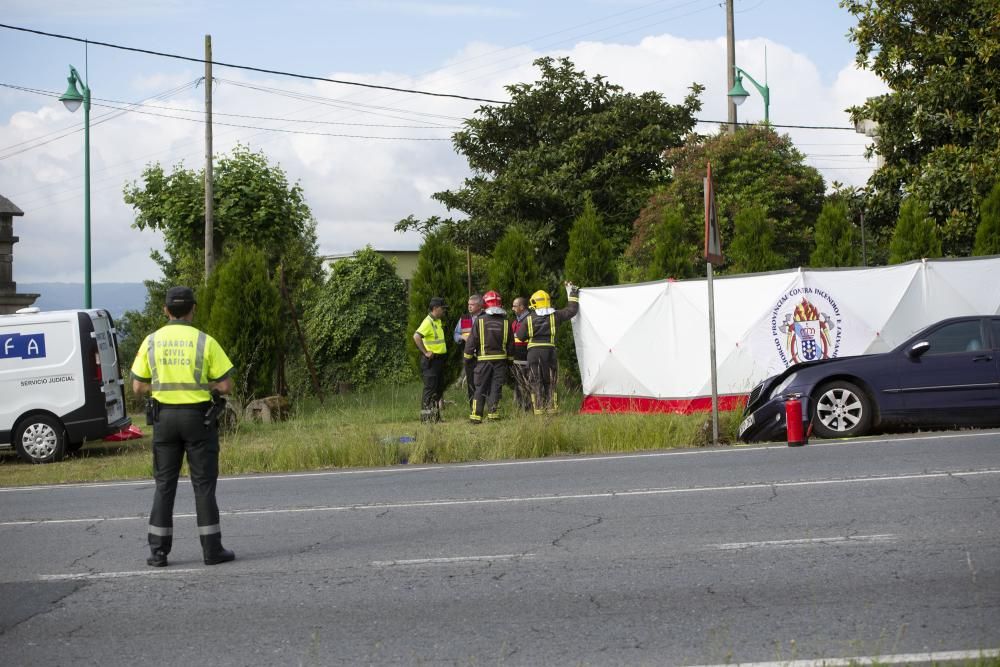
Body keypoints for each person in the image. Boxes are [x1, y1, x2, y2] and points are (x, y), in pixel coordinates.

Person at [130, 286, 235, 568]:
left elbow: (138, 386)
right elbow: (225, 385)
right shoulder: (205, 341)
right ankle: (212, 550)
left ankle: (158, 552)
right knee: (203, 486)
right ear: (193, 309)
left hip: (164, 420)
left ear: (165, 310)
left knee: (164, 485)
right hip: (198, 419)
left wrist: (163, 386)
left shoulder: (151, 341)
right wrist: (207, 385)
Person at [514, 282, 580, 415]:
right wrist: (573, 293)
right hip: (550, 352)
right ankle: (552, 408)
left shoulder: (529, 319)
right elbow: (572, 310)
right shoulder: (556, 315)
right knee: (550, 380)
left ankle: (538, 409)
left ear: (534, 303)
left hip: (533, 353)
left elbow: (520, 337)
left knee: (536, 380)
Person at [465, 290, 512, 423]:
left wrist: (467, 358)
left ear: (485, 304)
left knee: (480, 388)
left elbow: (471, 341)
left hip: (483, 362)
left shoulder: (480, 321)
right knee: (496, 387)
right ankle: (493, 415)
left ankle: (476, 416)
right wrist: (510, 360)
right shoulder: (506, 322)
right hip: (500, 362)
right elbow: (510, 343)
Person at [413, 297, 449, 423]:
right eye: (442, 308)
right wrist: (425, 352)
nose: (444, 311)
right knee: (430, 390)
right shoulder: (428, 322)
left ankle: (435, 417)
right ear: (435, 308)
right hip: (431, 362)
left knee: (437, 391)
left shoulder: (437, 321)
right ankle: (426, 418)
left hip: (439, 361)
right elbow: (416, 336)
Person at [454, 294, 483, 410]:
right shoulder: (464, 318)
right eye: (468, 304)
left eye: (472, 304)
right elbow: (456, 334)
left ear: (480, 306)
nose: (469, 307)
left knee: (483, 382)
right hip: (469, 356)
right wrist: (461, 337)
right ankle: (474, 409)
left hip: (483, 355)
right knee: (471, 383)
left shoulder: (486, 317)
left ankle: (485, 406)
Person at [509, 296, 532, 412]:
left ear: (522, 307)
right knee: (519, 386)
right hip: (517, 360)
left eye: (514, 306)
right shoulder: (515, 322)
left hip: (527, 359)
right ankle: (520, 408)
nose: (512, 308)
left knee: (528, 386)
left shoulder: (530, 320)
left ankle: (528, 409)